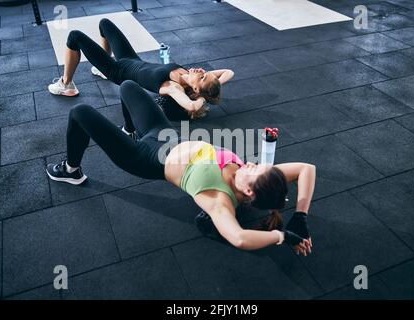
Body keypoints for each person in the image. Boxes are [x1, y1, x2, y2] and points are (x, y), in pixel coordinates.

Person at [46, 80, 316, 254]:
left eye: (254, 170)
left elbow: (240, 238)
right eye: (258, 165)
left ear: (248, 191)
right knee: (128, 86)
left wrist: (281, 237)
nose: (252, 163)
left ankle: (72, 170)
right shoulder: (261, 181)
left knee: (80, 112)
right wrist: (301, 217)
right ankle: (128, 129)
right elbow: (307, 169)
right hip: (165, 136)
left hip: (142, 157)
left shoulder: (219, 200)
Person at [48, 18, 234, 119]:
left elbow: (192, 105)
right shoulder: (190, 76)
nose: (202, 71)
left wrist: (203, 98)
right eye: (205, 73)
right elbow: (229, 72)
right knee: (105, 24)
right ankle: (100, 69)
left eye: (202, 77)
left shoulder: (173, 87)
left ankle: (66, 84)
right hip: (130, 58)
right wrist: (211, 89)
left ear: (195, 89)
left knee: (74, 37)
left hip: (117, 71)